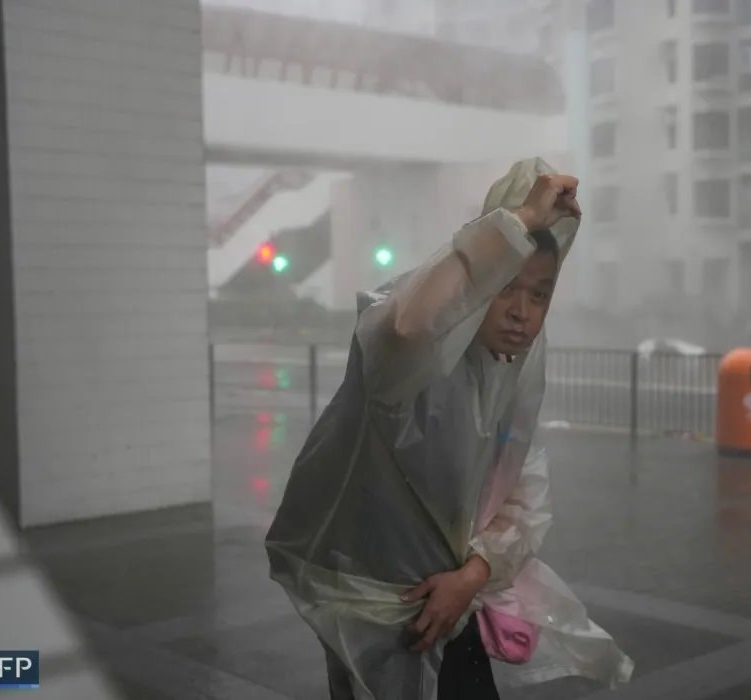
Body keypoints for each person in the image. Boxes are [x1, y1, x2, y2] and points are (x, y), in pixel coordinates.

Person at [265, 158, 633, 699]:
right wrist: (516, 224)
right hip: (380, 615)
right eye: (506, 285)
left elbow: (524, 494)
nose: (522, 312)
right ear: (480, 280)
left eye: (539, 294)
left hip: (454, 610)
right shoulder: (408, 368)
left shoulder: (505, 379)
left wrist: (472, 577)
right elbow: (406, 328)